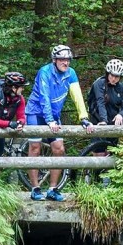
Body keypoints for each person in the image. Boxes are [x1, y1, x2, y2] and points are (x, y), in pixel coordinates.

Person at [25, 45, 92, 201]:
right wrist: (49, 120)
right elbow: (44, 97)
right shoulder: (45, 72)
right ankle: (35, 188)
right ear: (54, 60)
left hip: (54, 114)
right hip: (36, 113)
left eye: (68, 59)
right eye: (62, 59)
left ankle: (52, 189)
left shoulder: (71, 73)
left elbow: (77, 95)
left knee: (59, 149)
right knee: (35, 147)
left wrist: (83, 117)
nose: (66, 63)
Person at [86, 59, 123, 156]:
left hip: (113, 122)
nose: (114, 78)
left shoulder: (122, 88)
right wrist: (103, 120)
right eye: (112, 75)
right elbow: (100, 102)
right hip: (98, 121)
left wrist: (120, 115)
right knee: (100, 154)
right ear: (107, 73)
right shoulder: (100, 83)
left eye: (117, 76)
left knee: (112, 154)